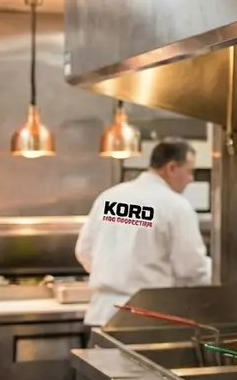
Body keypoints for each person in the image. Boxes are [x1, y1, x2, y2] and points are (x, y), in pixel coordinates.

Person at [74, 139, 211, 326]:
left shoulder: (110, 198)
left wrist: (114, 275)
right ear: (171, 168)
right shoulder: (175, 206)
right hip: (145, 319)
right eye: (189, 171)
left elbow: (84, 251)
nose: (191, 179)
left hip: (101, 316)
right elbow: (192, 269)